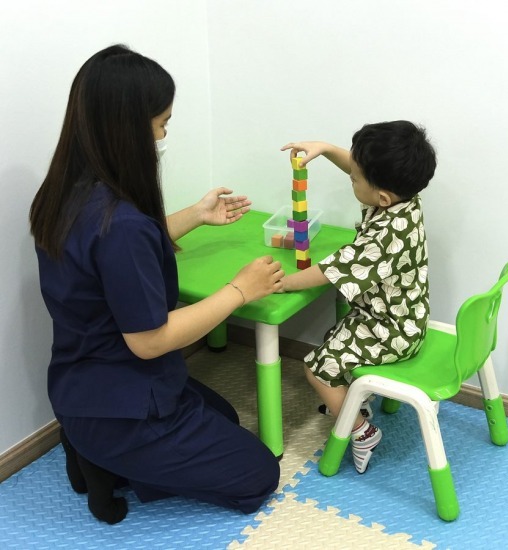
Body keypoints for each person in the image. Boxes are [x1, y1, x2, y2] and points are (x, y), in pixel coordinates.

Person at [29, 44, 284, 524]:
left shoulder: (65, 191)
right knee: (259, 475)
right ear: (128, 128)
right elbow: (149, 341)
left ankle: (90, 452)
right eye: (162, 122)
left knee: (226, 418)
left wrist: (197, 215)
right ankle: (105, 461)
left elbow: (112, 255)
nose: (165, 134)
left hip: (79, 385)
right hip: (123, 406)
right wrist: (239, 291)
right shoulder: (121, 225)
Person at [280, 121, 436, 473]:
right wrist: (326, 148)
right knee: (333, 337)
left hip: (390, 330)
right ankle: (354, 402)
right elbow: (361, 169)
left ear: (382, 198)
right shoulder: (406, 199)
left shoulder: (383, 236)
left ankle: (361, 430)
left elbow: (330, 270)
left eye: (354, 178)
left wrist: (282, 283)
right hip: (407, 316)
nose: (350, 176)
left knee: (317, 368)